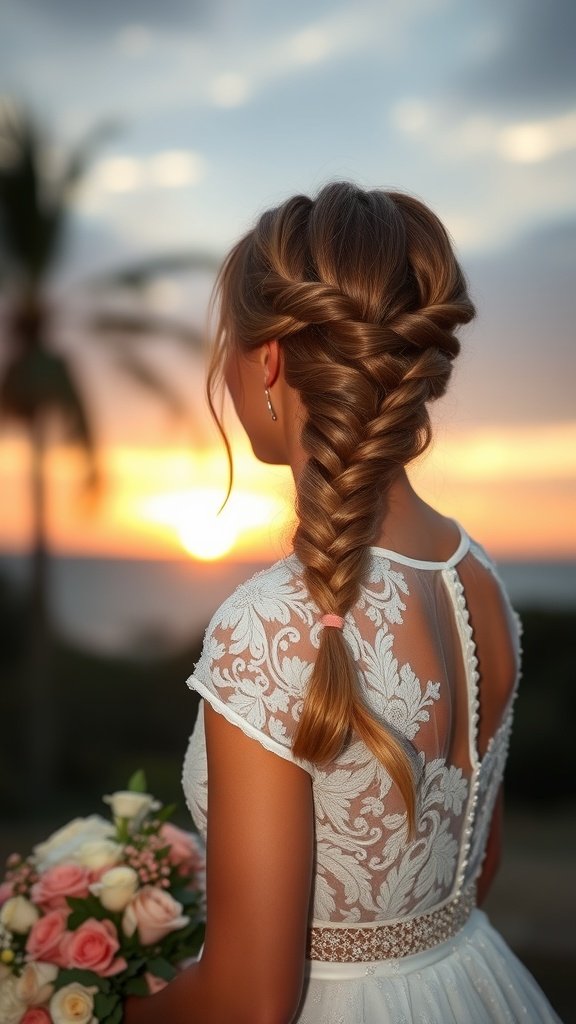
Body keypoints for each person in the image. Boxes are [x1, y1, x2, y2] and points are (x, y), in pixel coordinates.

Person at [124, 182, 563, 1023]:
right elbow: (480, 864)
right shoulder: (480, 578)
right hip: (472, 982)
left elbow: (250, 1004)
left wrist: (83, 1007)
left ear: (271, 360)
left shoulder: (270, 627)